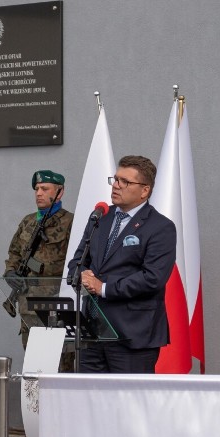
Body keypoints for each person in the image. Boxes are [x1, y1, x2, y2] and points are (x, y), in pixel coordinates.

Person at [68, 155, 176, 373]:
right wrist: (81, 275)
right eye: (115, 179)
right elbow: (78, 260)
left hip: (132, 335)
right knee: (88, 401)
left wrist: (104, 288)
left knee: (127, 405)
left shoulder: (160, 227)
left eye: (125, 182)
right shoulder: (100, 217)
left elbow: (152, 278)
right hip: (92, 331)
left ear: (144, 190)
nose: (116, 186)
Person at [4, 170, 73, 437]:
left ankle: (63, 429)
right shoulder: (27, 222)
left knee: (61, 370)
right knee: (34, 370)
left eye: (45, 188)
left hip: (55, 309)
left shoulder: (70, 223)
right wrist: (10, 273)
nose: (39, 193)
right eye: (37, 189)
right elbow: (13, 255)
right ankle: (35, 429)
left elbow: (74, 261)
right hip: (28, 309)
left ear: (60, 192)